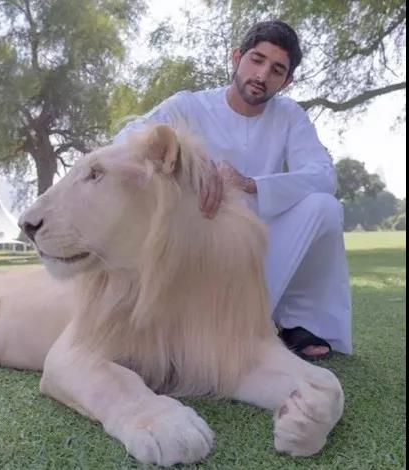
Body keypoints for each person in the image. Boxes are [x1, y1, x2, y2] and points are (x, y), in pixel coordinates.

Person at [115, 20, 352, 360]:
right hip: (199, 245)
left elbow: (323, 175)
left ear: (287, 81)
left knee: (324, 207)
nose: (262, 75)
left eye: (276, 69)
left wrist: (251, 184)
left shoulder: (289, 116)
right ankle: (212, 327)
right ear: (237, 57)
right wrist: (194, 161)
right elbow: (126, 140)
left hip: (260, 249)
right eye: (256, 60)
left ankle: (295, 325)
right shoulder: (189, 106)